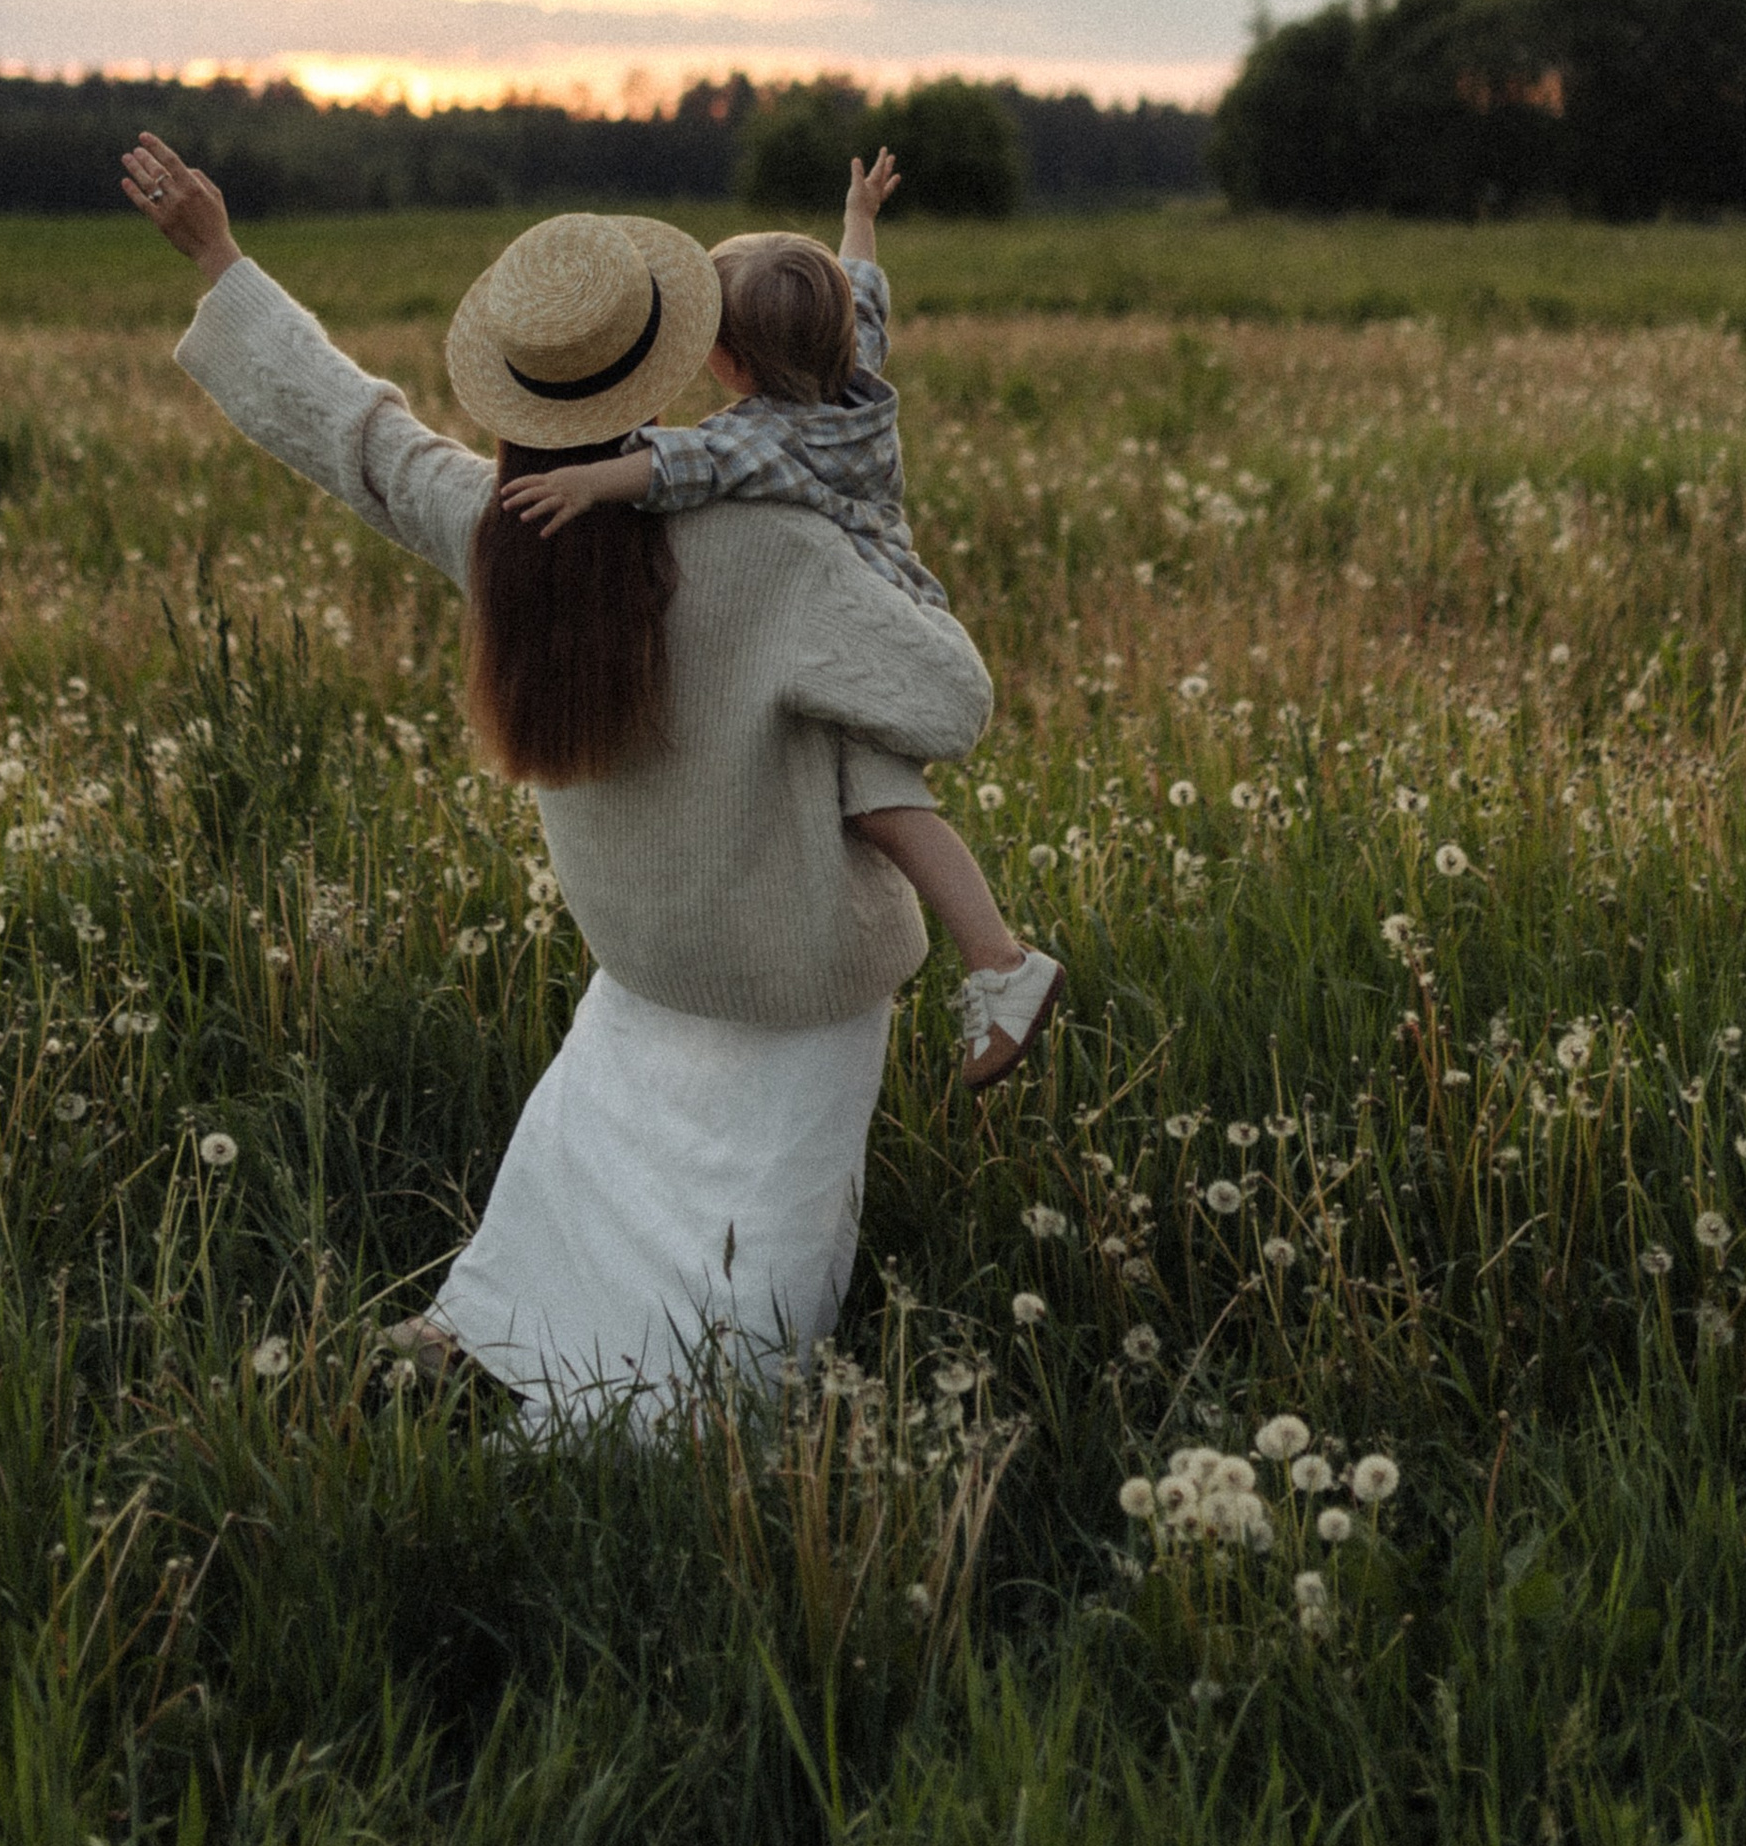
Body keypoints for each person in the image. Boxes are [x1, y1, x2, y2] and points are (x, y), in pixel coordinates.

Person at [120, 130, 1013, 1431]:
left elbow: (353, 434)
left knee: (590, 1171)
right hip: (797, 975)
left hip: (647, 962)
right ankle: (683, 1432)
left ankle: (490, 1348)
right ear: (671, 367)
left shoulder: (495, 538)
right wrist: (867, 551)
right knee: (749, 1279)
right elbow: (954, 701)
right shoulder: (773, 545)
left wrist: (220, 256)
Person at [497, 149, 1064, 1088]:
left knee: (883, 798)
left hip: (857, 618)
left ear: (728, 360)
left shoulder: (754, 438)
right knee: (883, 795)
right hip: (901, 594)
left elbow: (672, 468)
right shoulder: (857, 373)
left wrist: (582, 479)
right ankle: (997, 958)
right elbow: (865, 288)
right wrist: (859, 216)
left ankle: (1003, 962)